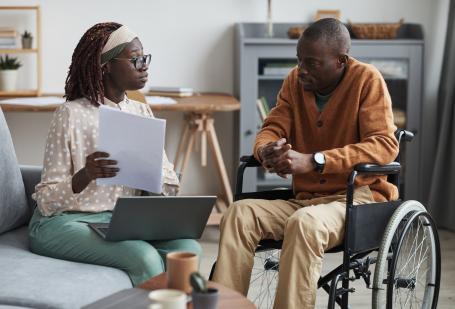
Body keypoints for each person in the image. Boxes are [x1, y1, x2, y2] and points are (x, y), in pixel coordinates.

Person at [212, 18, 398, 308]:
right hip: (306, 200)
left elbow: (385, 146)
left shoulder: (366, 79)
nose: (302, 70)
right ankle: (223, 305)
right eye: (299, 60)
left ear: (340, 61)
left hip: (356, 200)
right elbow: (273, 126)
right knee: (239, 213)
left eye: (311, 63)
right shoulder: (294, 81)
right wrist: (266, 150)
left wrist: (317, 161)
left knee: (304, 222)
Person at [29, 22, 201, 286]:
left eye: (145, 58)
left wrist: (154, 176)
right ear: (106, 65)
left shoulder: (141, 112)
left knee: (189, 249)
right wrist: (86, 174)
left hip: (122, 220)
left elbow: (169, 185)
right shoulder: (70, 114)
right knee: (143, 256)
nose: (144, 66)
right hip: (65, 223)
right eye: (135, 60)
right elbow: (46, 201)